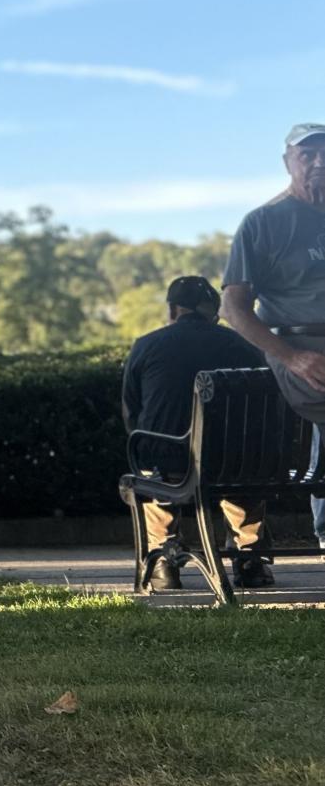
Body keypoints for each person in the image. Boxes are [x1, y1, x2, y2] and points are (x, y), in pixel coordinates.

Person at [123, 275, 271, 589]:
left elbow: (132, 413)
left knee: (153, 462)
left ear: (174, 309)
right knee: (240, 463)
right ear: (213, 312)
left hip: (169, 461)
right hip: (235, 464)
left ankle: (164, 561)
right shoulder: (245, 346)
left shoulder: (147, 345)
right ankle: (250, 557)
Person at [219, 123, 325, 546]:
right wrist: (291, 356)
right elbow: (233, 308)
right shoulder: (264, 223)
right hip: (301, 350)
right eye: (308, 154)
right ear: (288, 162)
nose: (319, 162)